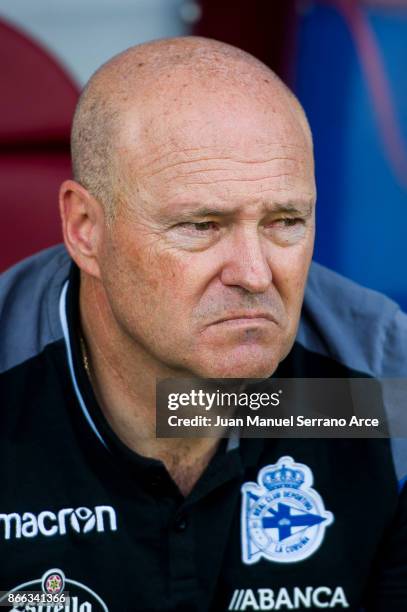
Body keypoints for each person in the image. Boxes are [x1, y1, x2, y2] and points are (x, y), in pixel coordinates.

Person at [0, 36, 406, 611]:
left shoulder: (380, 375)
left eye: (286, 220)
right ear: (86, 229)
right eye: (201, 225)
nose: (255, 274)